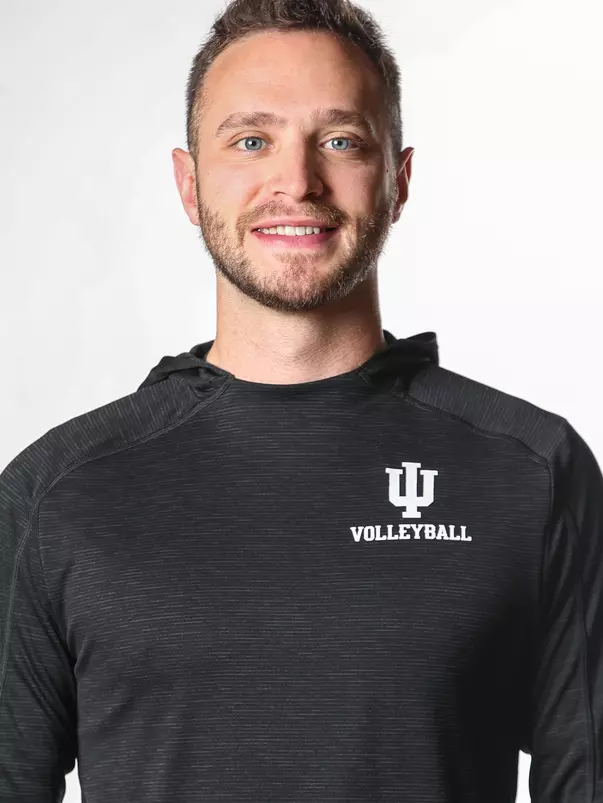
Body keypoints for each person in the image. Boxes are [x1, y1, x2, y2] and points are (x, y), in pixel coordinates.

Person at [1, 0, 601, 800]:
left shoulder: (531, 469)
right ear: (189, 183)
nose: (295, 181)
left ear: (398, 180)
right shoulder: (57, 492)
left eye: (341, 141)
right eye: (251, 140)